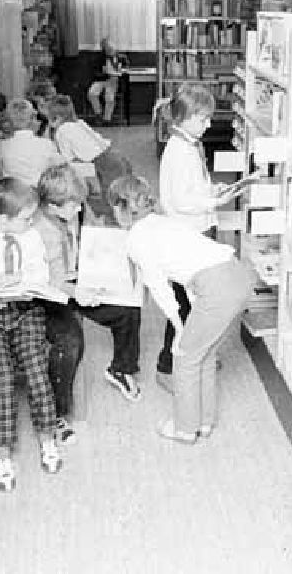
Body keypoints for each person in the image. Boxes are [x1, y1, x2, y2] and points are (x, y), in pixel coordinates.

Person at [108, 175, 256, 443]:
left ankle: (185, 428)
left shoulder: (136, 239)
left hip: (217, 287)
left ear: (120, 208)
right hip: (238, 276)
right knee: (205, 353)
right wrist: (190, 320)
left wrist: (179, 327)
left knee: (185, 357)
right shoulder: (164, 223)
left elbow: (160, 289)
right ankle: (205, 421)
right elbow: (191, 274)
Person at [0, 178, 62, 492]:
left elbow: (41, 272)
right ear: (3, 219)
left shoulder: (31, 237)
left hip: (26, 309)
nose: (31, 222)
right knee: (3, 377)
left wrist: (23, 277)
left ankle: (48, 436)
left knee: (36, 368)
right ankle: (1, 453)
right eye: (25, 218)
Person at [154, 82, 248, 392]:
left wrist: (212, 190)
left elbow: (193, 188)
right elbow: (181, 201)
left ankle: (195, 357)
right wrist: (214, 201)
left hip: (196, 231)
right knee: (183, 304)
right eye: (203, 118)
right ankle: (168, 367)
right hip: (186, 233)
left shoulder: (190, 143)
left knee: (196, 302)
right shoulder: (179, 150)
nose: (208, 124)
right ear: (183, 117)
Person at [34, 164, 144, 405]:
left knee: (128, 308)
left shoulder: (77, 210)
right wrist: (76, 292)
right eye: (74, 205)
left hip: (83, 275)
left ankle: (121, 368)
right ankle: (59, 410)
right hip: (53, 292)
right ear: (52, 206)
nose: (80, 208)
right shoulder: (38, 230)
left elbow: (96, 231)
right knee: (70, 341)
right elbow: (46, 279)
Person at [43, 94, 133, 223]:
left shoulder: (61, 131)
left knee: (111, 196)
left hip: (105, 163)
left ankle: (113, 221)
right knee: (121, 191)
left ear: (54, 119)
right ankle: (126, 216)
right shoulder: (79, 123)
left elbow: (67, 158)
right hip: (115, 154)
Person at [0, 98, 67, 188]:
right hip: (39, 195)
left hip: (11, 196)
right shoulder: (46, 145)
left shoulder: (1, 147)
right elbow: (63, 167)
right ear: (32, 119)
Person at [88, 37, 127, 126]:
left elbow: (125, 69)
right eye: (106, 48)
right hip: (101, 80)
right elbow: (95, 72)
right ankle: (98, 113)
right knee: (92, 93)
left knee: (109, 98)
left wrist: (119, 73)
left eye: (110, 47)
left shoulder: (122, 57)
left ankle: (107, 119)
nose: (110, 49)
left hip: (113, 80)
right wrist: (104, 73)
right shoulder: (99, 58)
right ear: (103, 49)